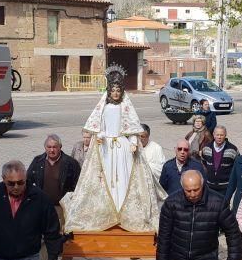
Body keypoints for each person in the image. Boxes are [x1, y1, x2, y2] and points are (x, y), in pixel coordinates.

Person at [61, 69, 166, 233]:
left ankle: (123, 212)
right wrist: (101, 136)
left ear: (121, 91)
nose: (116, 93)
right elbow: (99, 127)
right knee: (108, 178)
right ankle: (109, 212)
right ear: (109, 92)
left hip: (123, 147)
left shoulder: (126, 106)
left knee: (123, 178)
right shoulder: (104, 107)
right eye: (113, 91)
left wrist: (132, 141)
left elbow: (132, 128)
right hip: (106, 147)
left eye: (118, 90)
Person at [27, 134, 80, 260]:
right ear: (45, 148)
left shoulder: (71, 163)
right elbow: (28, 181)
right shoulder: (37, 161)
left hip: (62, 206)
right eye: (49, 147)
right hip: (43, 207)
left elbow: (78, 186)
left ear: (60, 147)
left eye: (54, 147)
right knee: (44, 236)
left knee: (64, 235)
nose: (52, 150)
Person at [201, 125, 238, 194]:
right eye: (217, 135)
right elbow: (204, 163)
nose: (219, 137)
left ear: (225, 135)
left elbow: (236, 167)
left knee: (224, 204)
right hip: (209, 186)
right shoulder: (206, 148)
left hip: (225, 186)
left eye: (222, 135)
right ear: (213, 135)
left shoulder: (232, 149)